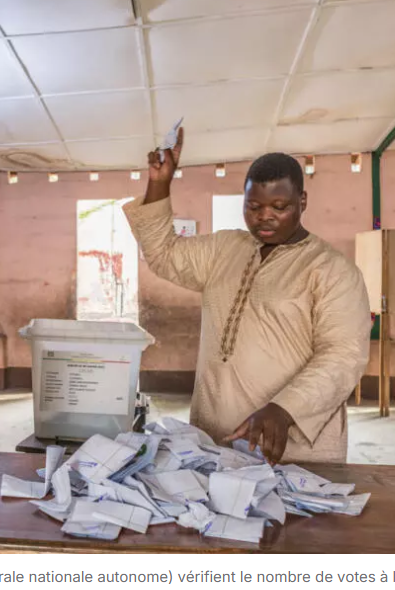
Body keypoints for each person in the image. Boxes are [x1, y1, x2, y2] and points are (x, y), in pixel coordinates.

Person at [124, 129, 371, 465]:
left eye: (279, 206)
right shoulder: (225, 249)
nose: (264, 216)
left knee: (296, 518)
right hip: (215, 440)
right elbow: (164, 254)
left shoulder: (331, 270)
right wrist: (160, 183)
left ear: (303, 201)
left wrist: (285, 410)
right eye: (253, 206)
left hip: (291, 449)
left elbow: (344, 355)